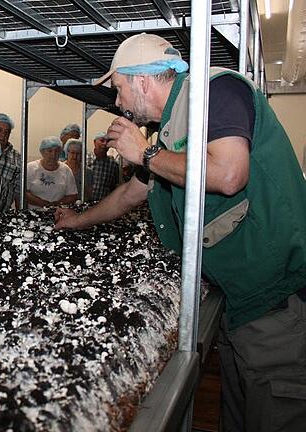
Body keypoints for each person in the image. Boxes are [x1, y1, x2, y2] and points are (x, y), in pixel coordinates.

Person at [55, 33, 306, 431]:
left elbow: (228, 174)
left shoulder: (216, 91)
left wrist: (146, 154)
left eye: (119, 89)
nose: (117, 102)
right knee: (240, 411)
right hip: (241, 298)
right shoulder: (171, 128)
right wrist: (75, 221)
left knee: (275, 411)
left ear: (141, 80)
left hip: (276, 298)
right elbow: (128, 195)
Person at [25, 136, 77, 209]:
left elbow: (72, 195)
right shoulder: (31, 168)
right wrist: (42, 203)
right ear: (42, 152)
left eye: (57, 151)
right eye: (49, 151)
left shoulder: (66, 170)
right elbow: (24, 192)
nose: (53, 154)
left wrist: (56, 204)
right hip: (34, 214)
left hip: (59, 214)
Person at [0, 113, 22, 208]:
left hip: (1, 215)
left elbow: (19, 194)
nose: (3, 135)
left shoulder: (17, 159)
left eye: (7, 132)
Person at [90, 132, 120, 200]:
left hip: (103, 204)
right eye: (102, 140)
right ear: (94, 142)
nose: (105, 144)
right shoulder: (85, 159)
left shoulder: (113, 165)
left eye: (107, 142)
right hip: (85, 203)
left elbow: (114, 186)